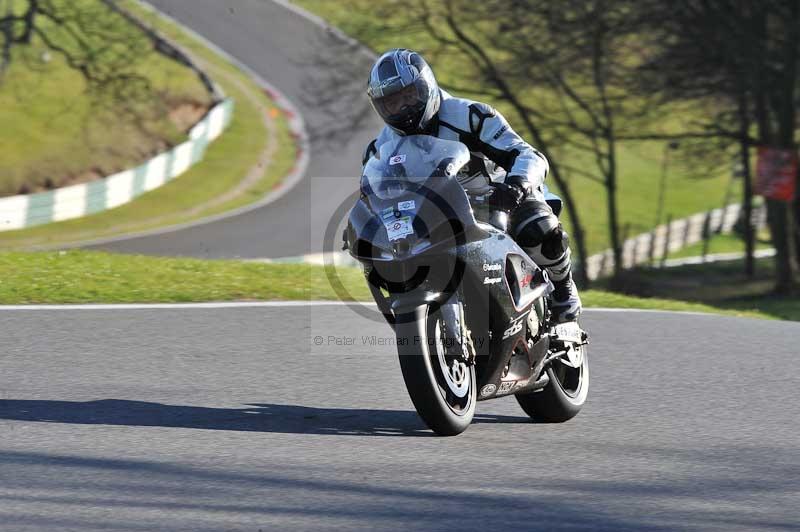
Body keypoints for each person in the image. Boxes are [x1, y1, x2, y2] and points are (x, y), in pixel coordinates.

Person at [362, 48, 581, 323]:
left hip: (498, 198)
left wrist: (516, 186)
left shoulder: (471, 115)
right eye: (392, 103)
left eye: (409, 96)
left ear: (426, 87)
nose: (403, 108)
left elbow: (528, 154)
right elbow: (374, 195)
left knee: (537, 226)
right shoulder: (380, 148)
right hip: (437, 214)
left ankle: (563, 289)